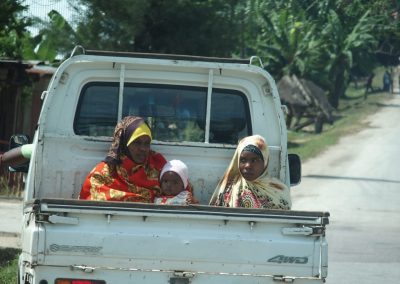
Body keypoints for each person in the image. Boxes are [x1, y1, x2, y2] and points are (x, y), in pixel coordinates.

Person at [79, 116, 167, 202]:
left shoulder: (159, 167)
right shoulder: (104, 173)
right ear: (124, 144)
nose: (143, 148)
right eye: (136, 142)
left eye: (147, 143)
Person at [209, 135, 291, 210]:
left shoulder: (279, 191)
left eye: (254, 160)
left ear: (265, 162)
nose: (248, 166)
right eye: (243, 160)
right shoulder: (228, 189)